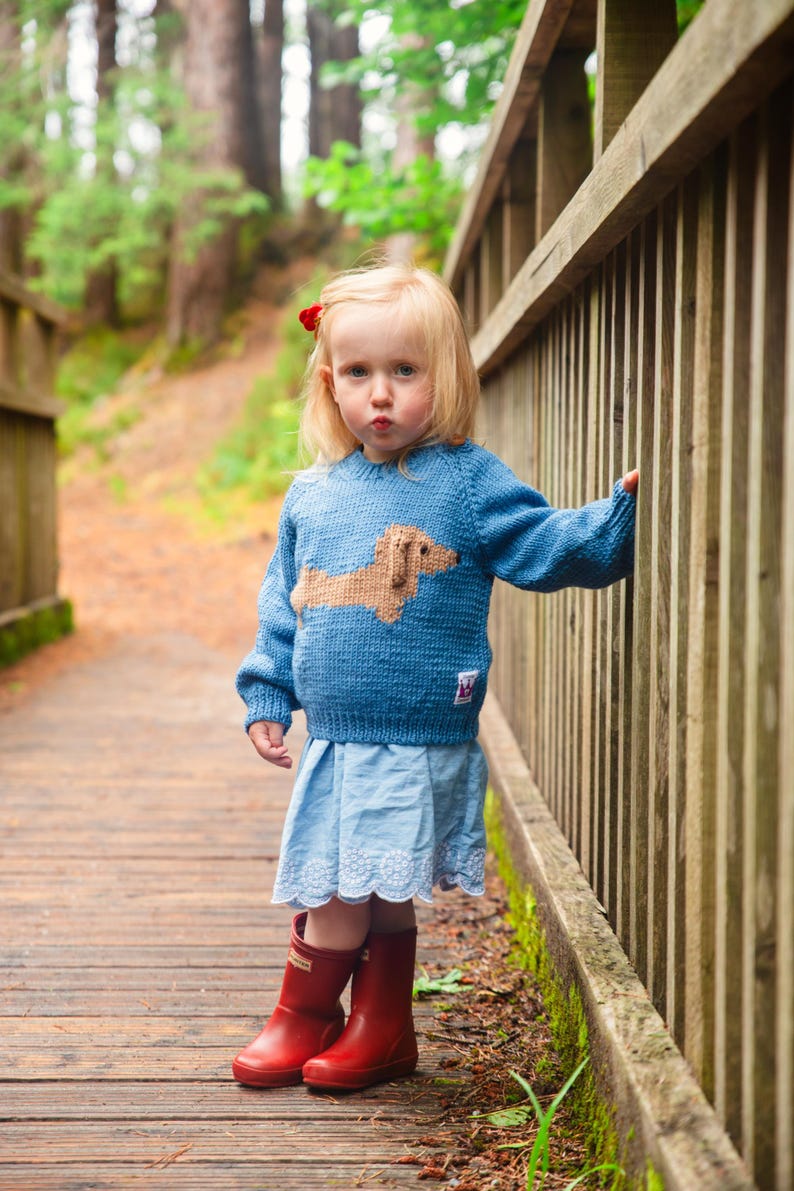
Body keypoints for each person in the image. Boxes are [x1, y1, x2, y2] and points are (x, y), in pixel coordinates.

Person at [232, 263, 638, 1092]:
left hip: (416, 734)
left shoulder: (464, 479)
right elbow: (287, 603)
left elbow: (542, 541)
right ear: (329, 381)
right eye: (358, 373)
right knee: (375, 889)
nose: (379, 394)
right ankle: (381, 1028)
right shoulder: (313, 494)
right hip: (338, 738)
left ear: (444, 377)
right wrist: (268, 690)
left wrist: (614, 520)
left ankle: (303, 1016)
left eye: (404, 372)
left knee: (347, 886)